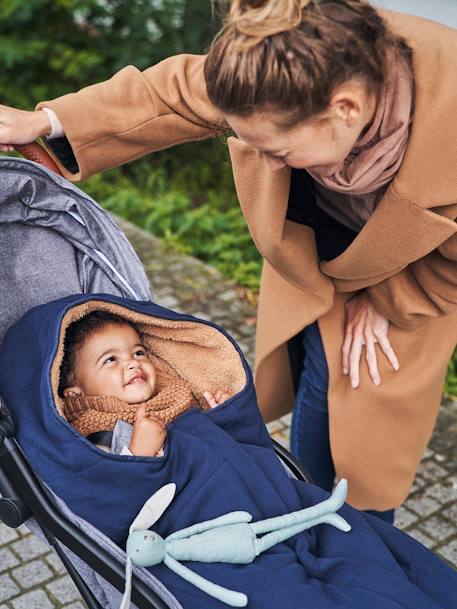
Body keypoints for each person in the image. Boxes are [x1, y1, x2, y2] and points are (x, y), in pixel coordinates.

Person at [0, 0, 456, 522]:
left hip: (414, 276)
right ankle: (301, 501)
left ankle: (364, 540)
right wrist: (44, 121)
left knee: (370, 432)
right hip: (311, 252)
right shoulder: (280, 62)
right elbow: (167, 95)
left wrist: (391, 301)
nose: (267, 165)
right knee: (310, 366)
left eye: (279, 152)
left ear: (347, 110)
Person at [59, 310, 228, 457]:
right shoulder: (91, 437)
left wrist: (225, 420)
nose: (134, 363)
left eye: (138, 353)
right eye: (111, 359)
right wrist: (139, 452)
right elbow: (107, 490)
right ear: (76, 393)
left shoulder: (179, 400)